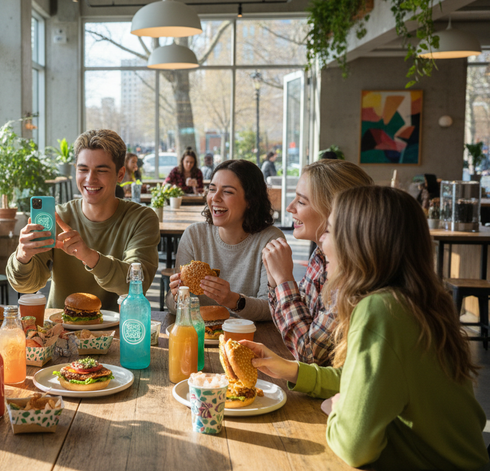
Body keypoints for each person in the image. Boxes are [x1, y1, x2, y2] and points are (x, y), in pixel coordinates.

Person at [242, 186, 489, 471]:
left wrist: (338, 412)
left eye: (330, 231)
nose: (321, 242)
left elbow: (354, 447)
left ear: (359, 244)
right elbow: (364, 383)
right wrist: (292, 370)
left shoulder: (381, 311)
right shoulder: (417, 302)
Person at [7, 129, 160, 311]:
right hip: (59, 330)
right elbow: (26, 286)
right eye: (83, 169)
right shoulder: (57, 217)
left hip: (116, 332)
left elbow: (137, 284)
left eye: (101, 170)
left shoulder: (142, 219)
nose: (90, 179)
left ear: (120, 174)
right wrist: (23, 257)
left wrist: (89, 256)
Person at [262, 160, 373, 365]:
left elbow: (309, 353)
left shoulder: (352, 272)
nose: (289, 207)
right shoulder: (321, 256)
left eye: (301, 202)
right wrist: (275, 282)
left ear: (336, 212)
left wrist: (284, 280)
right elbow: (292, 330)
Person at [167, 159, 284, 321]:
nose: (215, 198)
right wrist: (176, 296)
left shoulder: (270, 240)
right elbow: (172, 307)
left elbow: (271, 308)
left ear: (251, 199)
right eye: (212, 189)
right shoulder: (194, 235)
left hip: (250, 338)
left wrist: (232, 300)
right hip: (199, 335)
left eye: (227, 192)